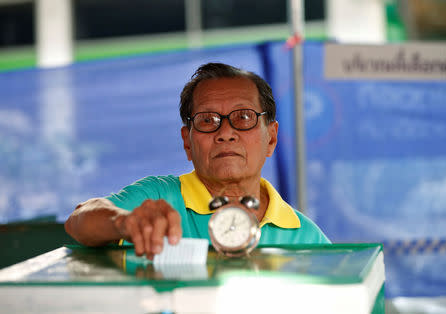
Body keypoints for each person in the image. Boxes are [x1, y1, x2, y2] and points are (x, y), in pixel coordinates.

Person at [65, 62, 330, 259]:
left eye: (244, 117)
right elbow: (79, 221)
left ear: (271, 139)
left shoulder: (306, 238)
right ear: (187, 142)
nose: (225, 133)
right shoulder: (158, 197)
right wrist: (125, 222)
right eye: (207, 120)